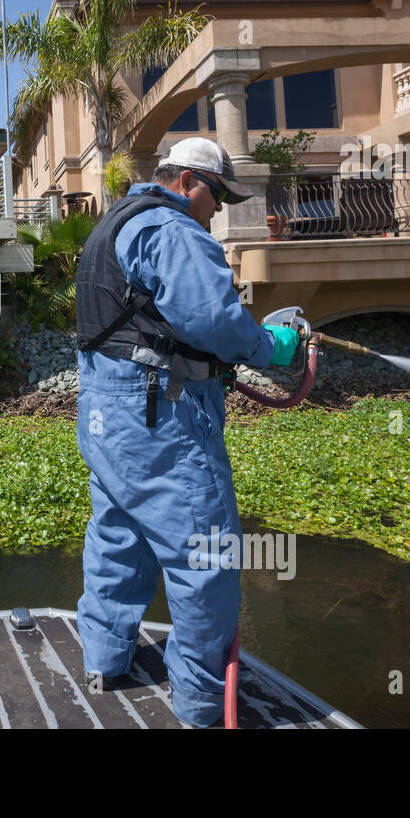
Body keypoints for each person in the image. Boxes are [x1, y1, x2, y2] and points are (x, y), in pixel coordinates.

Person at [74, 136, 300, 728]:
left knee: (118, 533)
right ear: (189, 183)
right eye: (218, 195)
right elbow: (212, 320)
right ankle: (201, 704)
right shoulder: (173, 229)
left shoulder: (112, 224)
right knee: (205, 553)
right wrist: (267, 346)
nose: (219, 209)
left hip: (106, 413)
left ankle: (103, 659)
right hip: (161, 417)